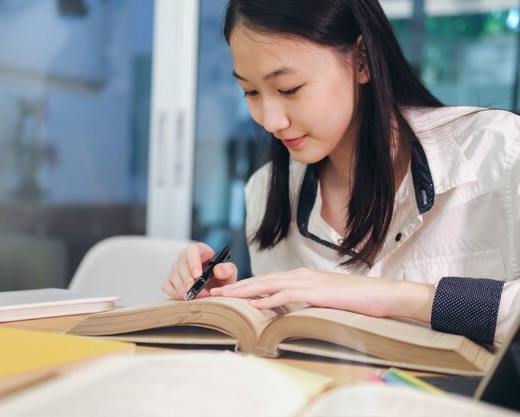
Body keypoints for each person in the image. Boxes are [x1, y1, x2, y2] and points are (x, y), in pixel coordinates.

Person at [161, 0, 520, 346]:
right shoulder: (266, 193)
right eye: (250, 91)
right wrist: (226, 303)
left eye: (289, 89)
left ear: (362, 60)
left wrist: (398, 297)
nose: (270, 121)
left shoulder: (499, 151)